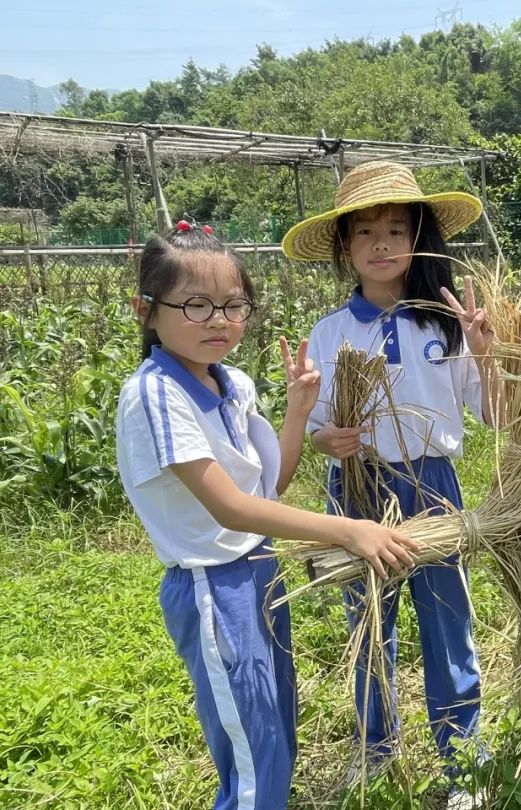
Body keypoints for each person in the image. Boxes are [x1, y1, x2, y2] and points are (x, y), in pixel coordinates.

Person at [116, 221, 418, 810]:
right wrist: (350, 529)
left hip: (260, 570)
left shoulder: (234, 384)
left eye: (233, 305)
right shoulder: (155, 393)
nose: (219, 320)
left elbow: (267, 487)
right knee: (252, 746)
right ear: (146, 310)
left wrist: (299, 412)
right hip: (213, 585)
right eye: (196, 304)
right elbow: (228, 507)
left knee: (277, 725)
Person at [282, 161, 500, 786]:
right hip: (358, 486)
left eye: (397, 230)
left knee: (446, 621)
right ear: (345, 247)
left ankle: (463, 762)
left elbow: (494, 414)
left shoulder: (446, 324)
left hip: (433, 486)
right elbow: (316, 425)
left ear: (418, 242)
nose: (382, 244)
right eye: (365, 232)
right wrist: (329, 437)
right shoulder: (330, 332)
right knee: (369, 623)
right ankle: (375, 748)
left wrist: (485, 357)